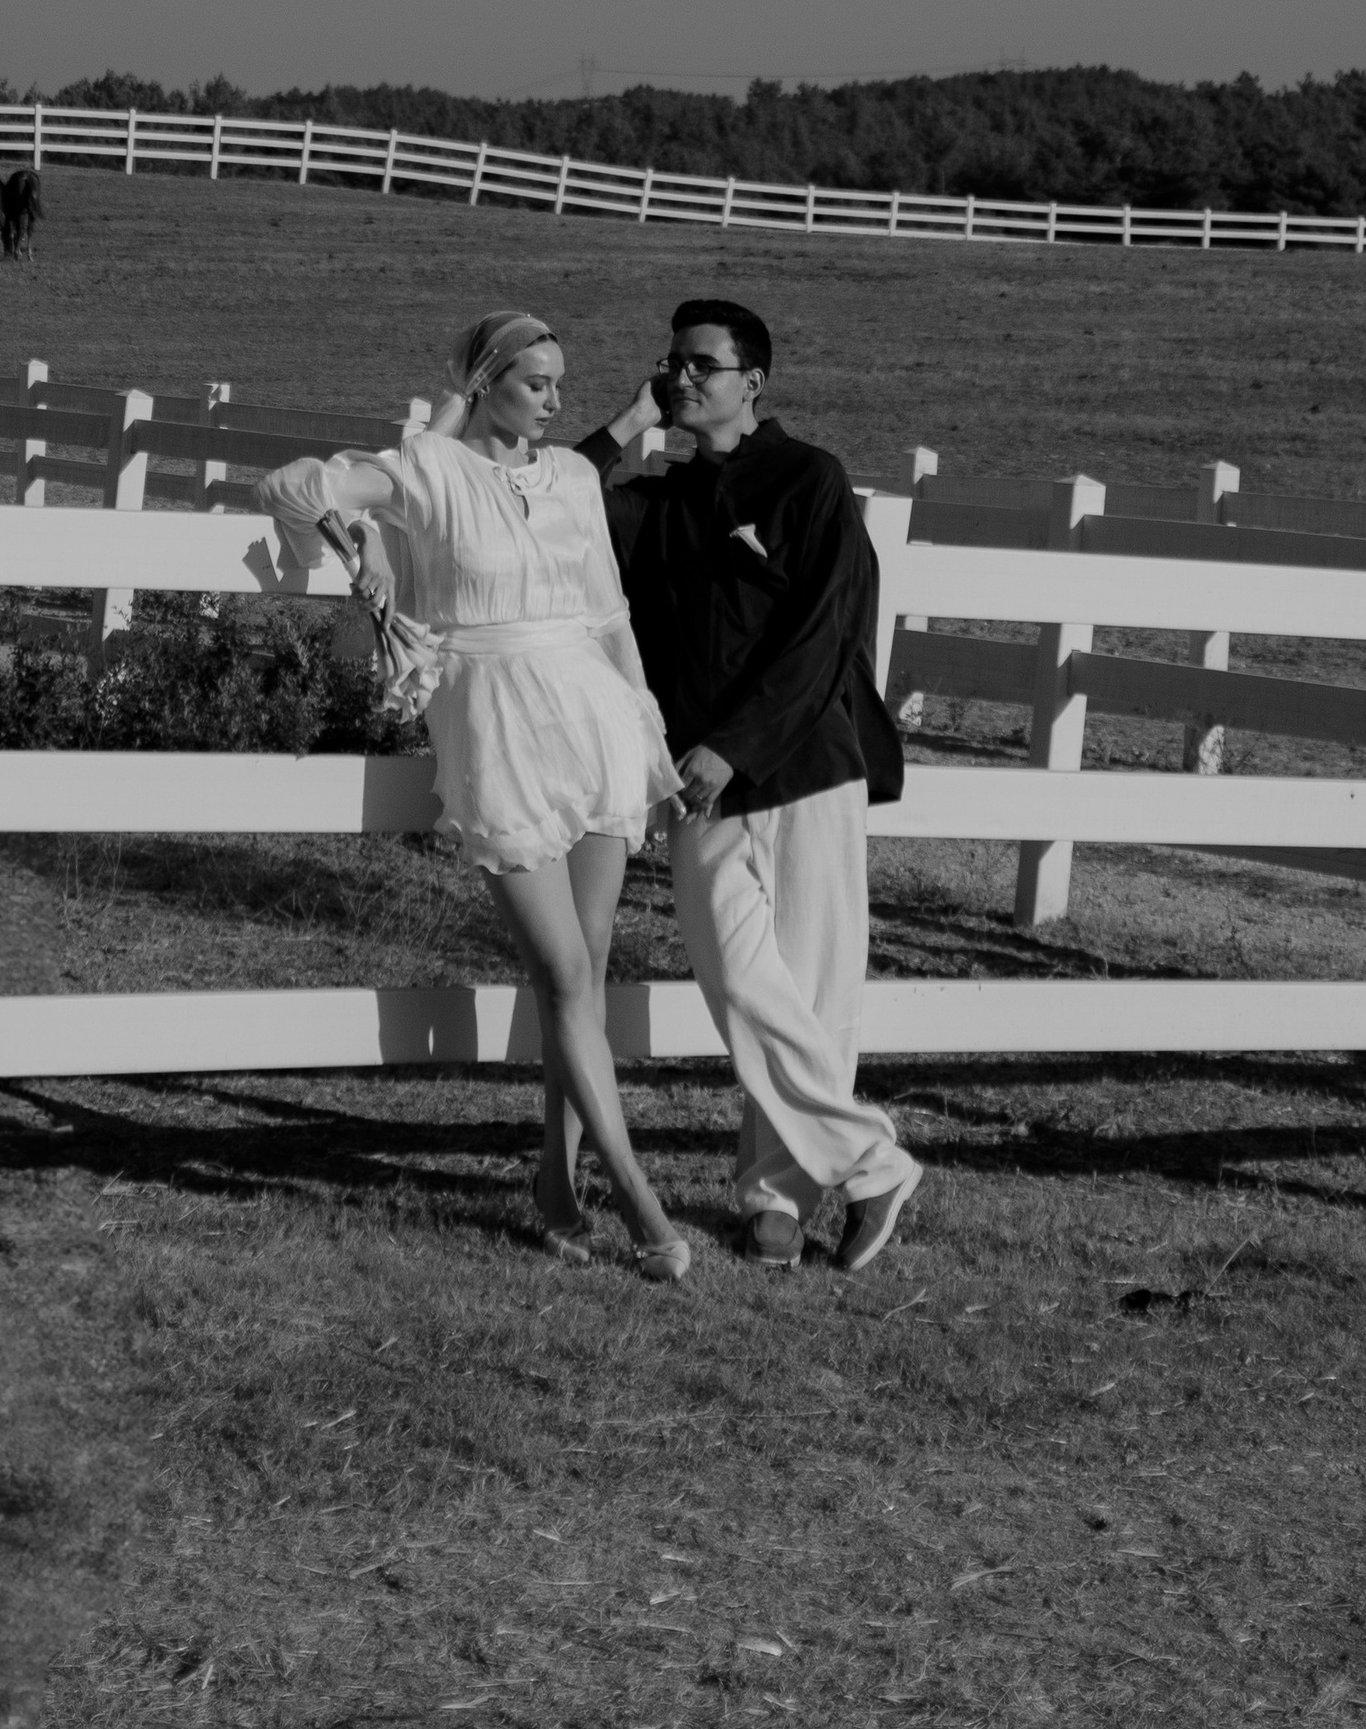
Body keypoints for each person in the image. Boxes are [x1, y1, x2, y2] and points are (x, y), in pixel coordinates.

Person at [260, 310, 692, 1281]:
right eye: (535, 379)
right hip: (494, 722)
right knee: (566, 976)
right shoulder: (431, 469)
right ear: (488, 380)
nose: (553, 396)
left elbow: (611, 616)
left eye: (558, 381)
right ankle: (635, 1193)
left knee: (580, 976)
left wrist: (651, 729)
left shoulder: (576, 476)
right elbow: (292, 483)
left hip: (594, 720)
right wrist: (352, 538)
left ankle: (555, 1181)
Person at [575, 297, 923, 1275]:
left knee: (816, 992)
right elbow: (544, 490)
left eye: (702, 365)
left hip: (806, 764)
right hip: (698, 780)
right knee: (737, 981)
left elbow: (823, 636)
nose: (682, 376)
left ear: (752, 380)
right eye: (672, 363)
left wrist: (733, 743)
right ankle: (871, 1159)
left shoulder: (808, 478)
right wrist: (626, 423)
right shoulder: (655, 501)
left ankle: (775, 1201)